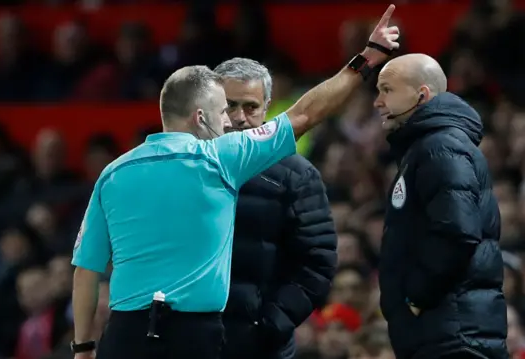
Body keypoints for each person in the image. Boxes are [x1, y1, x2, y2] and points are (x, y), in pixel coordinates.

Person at [70, 5, 400, 359]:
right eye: (222, 111)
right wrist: (366, 58)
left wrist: (84, 347)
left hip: (125, 335)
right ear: (201, 115)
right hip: (194, 334)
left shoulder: (113, 173)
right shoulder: (223, 157)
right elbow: (307, 112)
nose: (230, 123)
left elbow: (86, 269)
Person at [375, 53, 507, 359]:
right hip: (445, 331)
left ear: (421, 95)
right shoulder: (428, 146)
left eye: (387, 90)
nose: (377, 102)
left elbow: (457, 231)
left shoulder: (441, 145)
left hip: (453, 335)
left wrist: (415, 298)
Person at [213, 57, 337, 359]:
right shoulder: (186, 165)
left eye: (251, 107)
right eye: (230, 105)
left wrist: (271, 323)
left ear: (267, 107)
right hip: (191, 339)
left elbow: (317, 261)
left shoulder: (296, 174)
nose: (240, 117)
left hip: (262, 346)